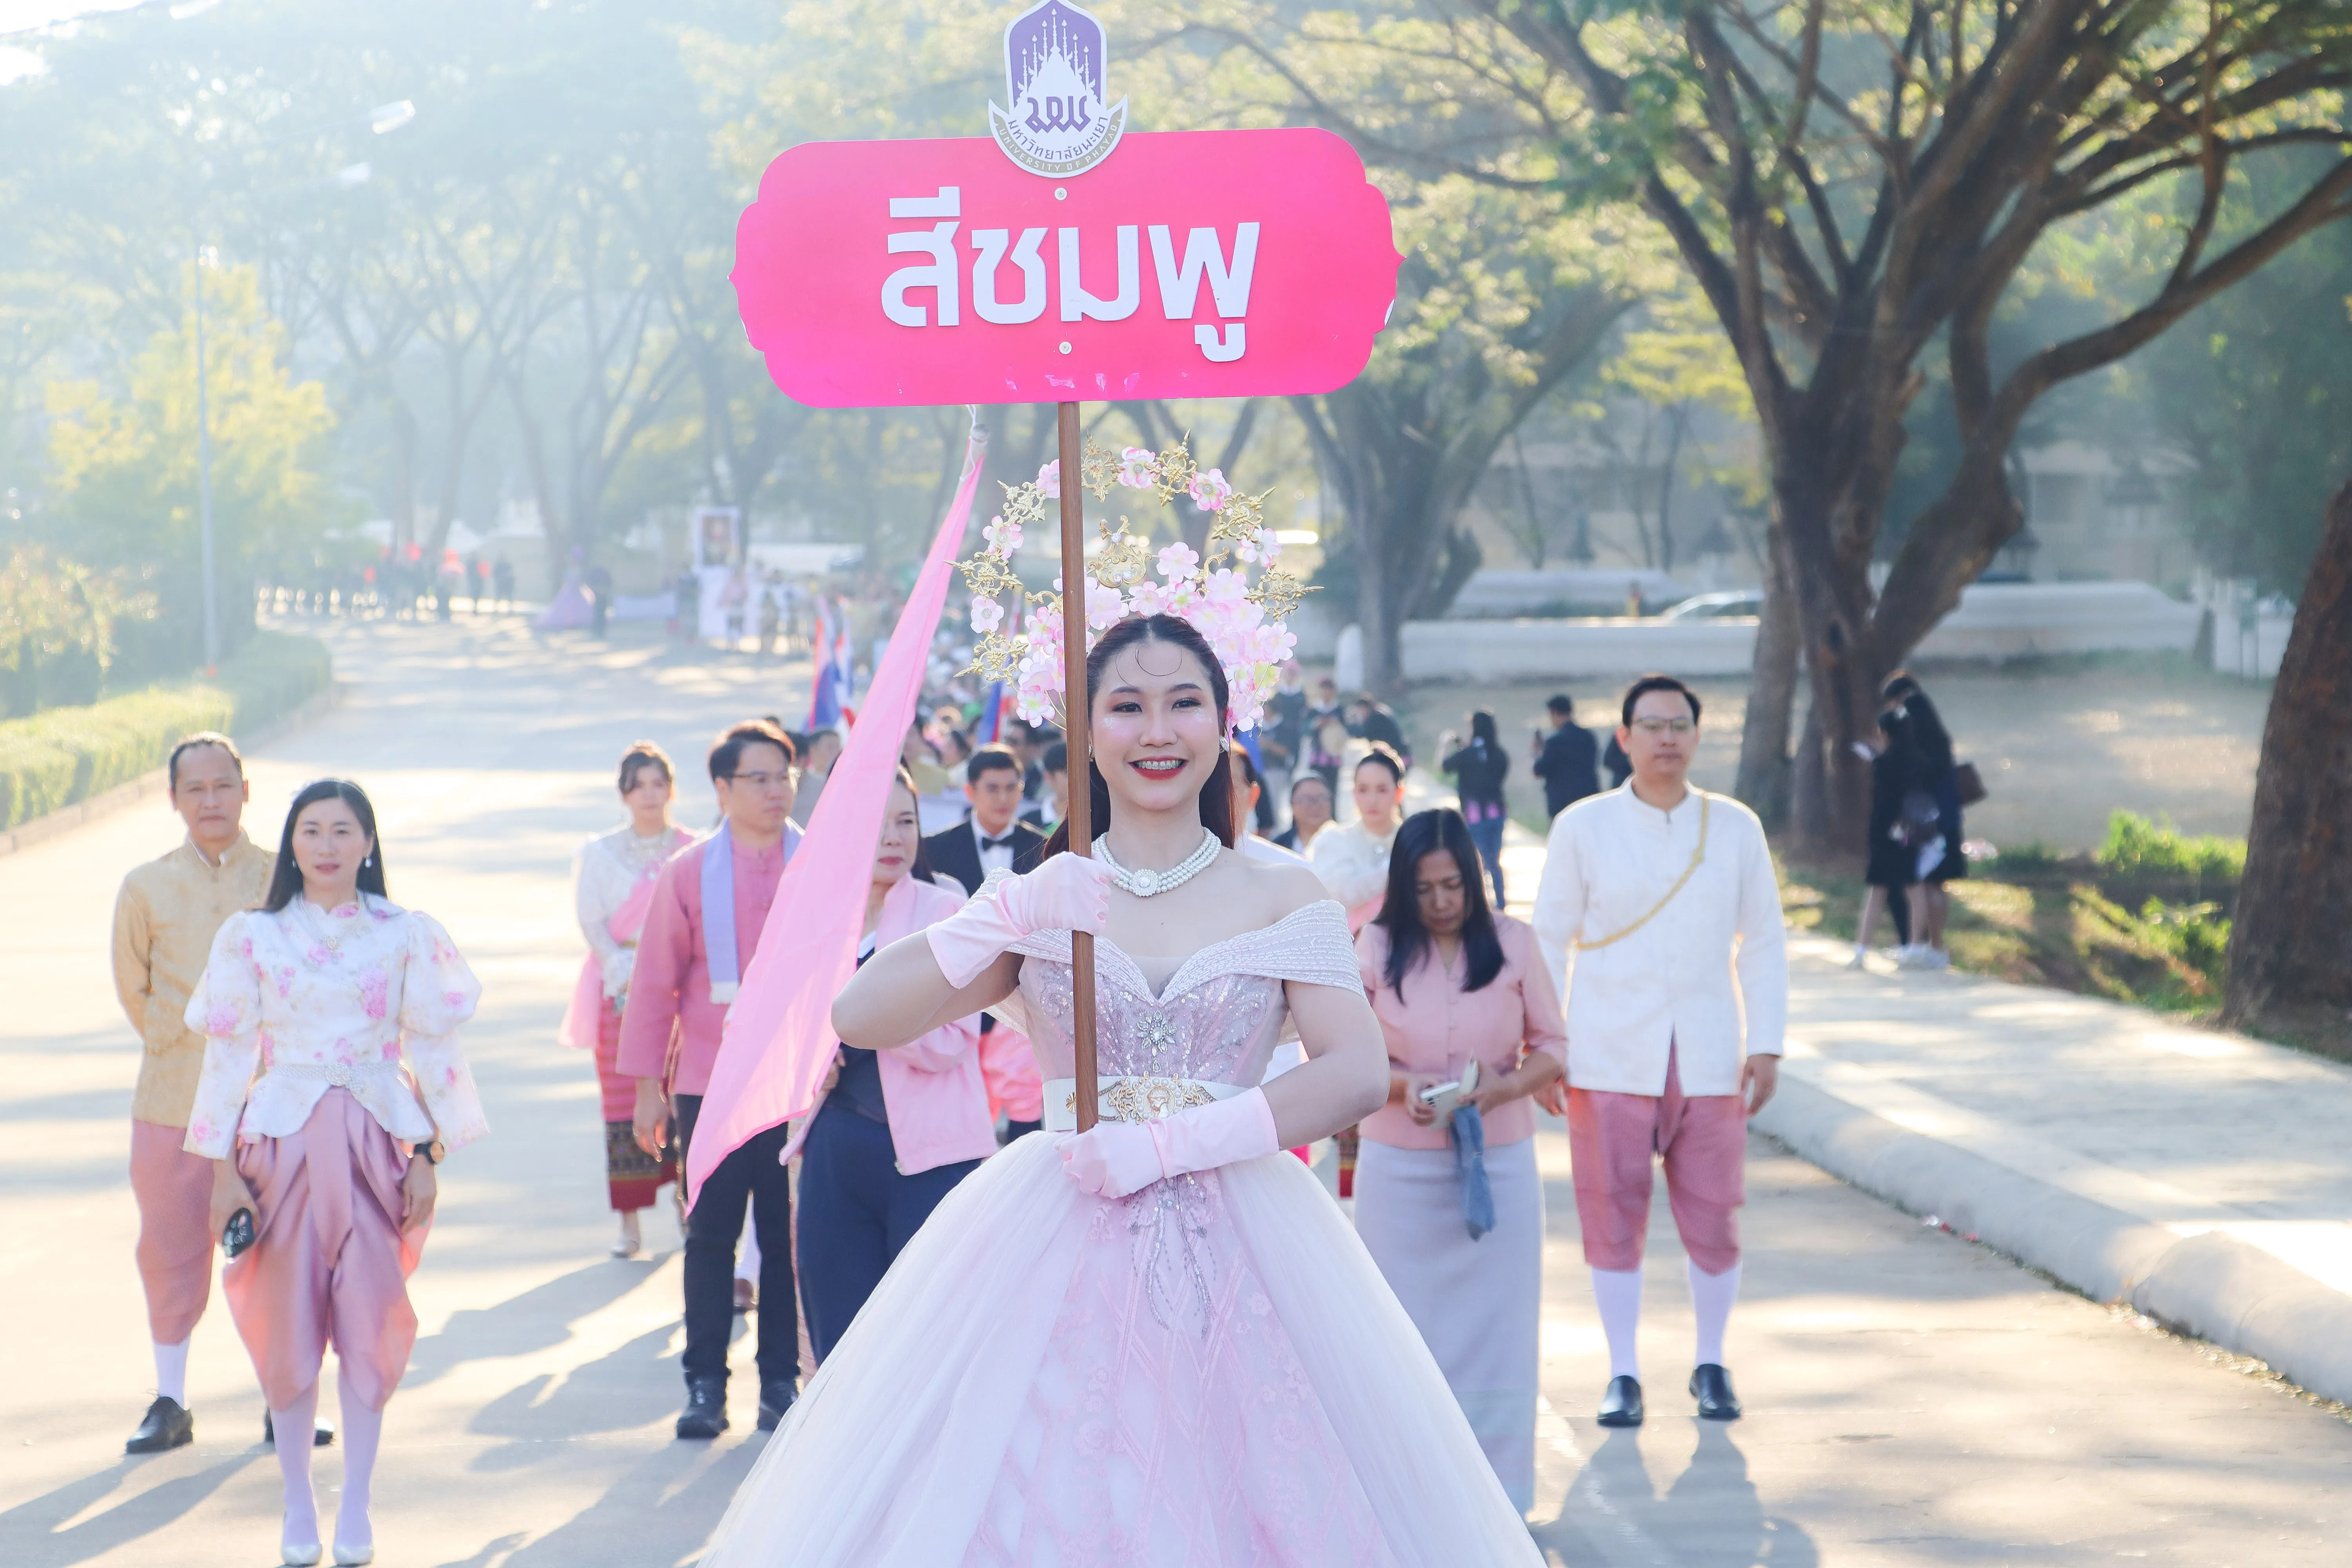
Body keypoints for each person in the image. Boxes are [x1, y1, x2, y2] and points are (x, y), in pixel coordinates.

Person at [696, 613, 1542, 1566]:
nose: (1157, 731)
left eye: (1184, 703)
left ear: (1223, 721)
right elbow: (859, 1013)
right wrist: (1005, 913)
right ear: (1088, 728)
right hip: (1056, 1234)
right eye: (1127, 706)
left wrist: (1173, 1143)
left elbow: (1353, 1070)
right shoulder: (1046, 892)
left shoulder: (1283, 890)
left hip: (1247, 1240)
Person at [185, 779, 486, 1567]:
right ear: (291, 842)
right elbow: (226, 1059)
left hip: (376, 1144)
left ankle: (357, 1504)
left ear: (369, 842)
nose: (326, 845)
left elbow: (434, 1050)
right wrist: (220, 1173)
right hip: (278, 1145)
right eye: (311, 829)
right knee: (288, 1326)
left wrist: (430, 1156)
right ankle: (298, 1502)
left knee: (368, 1320)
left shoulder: (404, 932)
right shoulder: (252, 936)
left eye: (342, 830)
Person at [1532, 674, 1786, 1429]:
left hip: (1709, 1053)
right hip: (1606, 1051)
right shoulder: (1583, 826)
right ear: (1624, 738)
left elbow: (1763, 941)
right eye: (1651, 725)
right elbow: (1547, 940)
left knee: (1716, 1213)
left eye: (1679, 725)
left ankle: (1711, 1362)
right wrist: (1545, 1044)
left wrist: (1767, 1043)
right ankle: (1623, 1371)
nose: (1666, 738)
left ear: (1698, 737)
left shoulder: (1735, 827)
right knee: (1611, 1212)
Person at [1355, 808, 1566, 1512]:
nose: (1442, 902)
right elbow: (1343, 1053)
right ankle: (1409, 1496)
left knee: (1499, 1336)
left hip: (1499, 1167)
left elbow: (1555, 1046)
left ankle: (1499, 1499)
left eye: (1453, 886)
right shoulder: (1374, 946)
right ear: (1402, 888)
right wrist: (1401, 1087)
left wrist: (1506, 1088)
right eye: (1425, 890)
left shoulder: (1513, 943)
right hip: (1398, 1175)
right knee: (1399, 1329)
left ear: (1474, 882)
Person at [620, 721, 804, 1439]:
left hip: (796, 1084)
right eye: (759, 778)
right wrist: (647, 1089)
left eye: (784, 776)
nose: (776, 790)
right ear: (723, 789)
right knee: (710, 1237)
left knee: (786, 1237)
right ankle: (704, 1385)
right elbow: (654, 984)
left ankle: (781, 1381)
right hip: (709, 1082)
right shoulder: (689, 872)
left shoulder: (816, 862)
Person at [111, 734, 279, 1455]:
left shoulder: (284, 877)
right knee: (171, 1250)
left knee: (280, 1254)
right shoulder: (146, 886)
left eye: (223, 785)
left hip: (273, 1106)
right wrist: (178, 1047)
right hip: (172, 1101)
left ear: (246, 790)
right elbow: (135, 988)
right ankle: (171, 1400)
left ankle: (286, 1398)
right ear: (174, 799)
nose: (211, 801)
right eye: (195, 789)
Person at [791, 769, 994, 1361]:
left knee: (929, 1338)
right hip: (835, 1145)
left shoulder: (946, 908)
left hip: (933, 1156)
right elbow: (779, 1026)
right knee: (841, 1339)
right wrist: (813, 1061)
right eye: (876, 824)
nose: (893, 837)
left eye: (906, 821)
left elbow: (955, 1038)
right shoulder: (816, 916)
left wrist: (865, 1022)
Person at [561, 742, 695, 1258]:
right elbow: (591, 919)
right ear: (624, 794)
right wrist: (621, 967)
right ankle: (630, 1222)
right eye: (639, 786)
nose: (649, 795)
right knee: (623, 1103)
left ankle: (690, 1208)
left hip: (683, 990)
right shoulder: (601, 853)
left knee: (684, 1095)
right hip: (619, 987)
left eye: (658, 784)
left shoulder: (692, 849)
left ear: (671, 790)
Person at [924, 746, 1049, 1140]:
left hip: (1021, 991)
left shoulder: (1046, 848)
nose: (1003, 798)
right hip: (956, 991)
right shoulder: (935, 849)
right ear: (970, 791)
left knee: (1025, 1103)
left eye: (1012, 788)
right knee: (959, 1107)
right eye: (992, 788)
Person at [1884, 671, 1962, 965]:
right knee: (1936, 885)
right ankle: (1937, 946)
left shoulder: (1917, 747)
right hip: (1949, 819)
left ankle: (1918, 943)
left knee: (1919, 882)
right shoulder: (1941, 741)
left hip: (1925, 822)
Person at [1307, 742, 1407, 933]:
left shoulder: (1413, 840)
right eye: (1363, 790)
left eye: (1382, 790)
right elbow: (1346, 894)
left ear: (1399, 792)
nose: (1372, 800)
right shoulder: (1335, 841)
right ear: (1354, 792)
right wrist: (1394, 866)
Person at [1440, 710, 1511, 906]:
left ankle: (1479, 902)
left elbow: (1443, 766)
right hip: (1497, 811)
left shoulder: (1467, 754)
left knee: (1476, 860)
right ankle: (1501, 902)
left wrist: (1445, 744)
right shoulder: (1499, 754)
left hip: (1474, 814)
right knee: (1494, 860)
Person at [1228, 745, 1303, 864]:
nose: (1214, 793)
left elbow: (1267, 825)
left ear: (1252, 795)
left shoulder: (1285, 867)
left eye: (1229, 785)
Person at [1532, 692, 1602, 818]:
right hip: (1589, 800)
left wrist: (1537, 753)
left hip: (1562, 805)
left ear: (1554, 713)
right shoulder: (1588, 737)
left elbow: (1539, 770)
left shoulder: (1555, 742)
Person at [791, 728, 842, 828]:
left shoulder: (829, 787)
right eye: (830, 747)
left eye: (838, 747)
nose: (837, 753)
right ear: (812, 750)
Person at [1272, 771, 1334, 853]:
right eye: (1307, 799)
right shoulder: (1278, 846)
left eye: (1322, 798)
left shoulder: (1344, 843)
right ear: (1292, 804)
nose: (1315, 806)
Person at [1305, 674, 1347, 792]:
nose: (1326, 693)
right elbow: (1305, 730)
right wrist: (1315, 725)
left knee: (1331, 789)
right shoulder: (1314, 711)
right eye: (1323, 690)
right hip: (1317, 755)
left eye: (1329, 690)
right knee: (1314, 788)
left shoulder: (1339, 711)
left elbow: (1347, 731)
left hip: (1333, 756)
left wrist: (1335, 723)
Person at [1348, 693, 1412, 768]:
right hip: (1398, 754)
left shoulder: (1375, 717)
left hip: (1396, 756)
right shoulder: (1380, 713)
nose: (1360, 713)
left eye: (1361, 709)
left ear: (1366, 708)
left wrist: (1349, 725)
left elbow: (1363, 734)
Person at [1020, 739, 1068, 831]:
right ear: (1048, 777)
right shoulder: (1028, 824)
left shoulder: (1094, 818)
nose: (1076, 778)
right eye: (1067, 773)